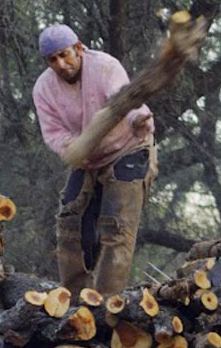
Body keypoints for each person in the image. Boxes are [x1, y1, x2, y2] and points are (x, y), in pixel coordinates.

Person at [32, 24, 157, 295]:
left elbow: (127, 102)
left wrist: (138, 119)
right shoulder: (43, 89)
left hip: (128, 146)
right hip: (86, 157)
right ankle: (75, 302)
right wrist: (71, 147)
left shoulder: (104, 67)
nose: (61, 64)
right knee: (69, 225)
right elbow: (53, 133)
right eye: (53, 60)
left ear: (79, 48)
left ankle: (106, 305)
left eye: (65, 55)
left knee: (116, 228)